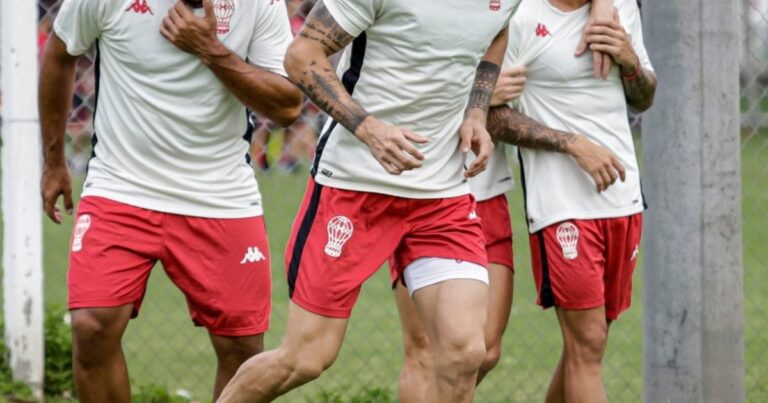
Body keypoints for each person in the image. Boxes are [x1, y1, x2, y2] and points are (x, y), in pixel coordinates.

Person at [38, 0, 302, 401]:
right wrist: (55, 160)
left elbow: (287, 105)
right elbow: (59, 54)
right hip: (121, 186)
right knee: (91, 326)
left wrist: (210, 50)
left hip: (221, 195)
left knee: (242, 349)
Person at [392, 26, 628, 402]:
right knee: (426, 352)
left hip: (485, 192)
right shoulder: (406, 16)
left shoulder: (500, 12)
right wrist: (476, 97)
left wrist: (601, 3)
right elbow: (389, 91)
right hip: (423, 192)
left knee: (484, 351)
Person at [486, 0, 657, 401]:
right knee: (588, 344)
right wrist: (573, 144)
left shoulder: (619, 8)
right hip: (560, 207)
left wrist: (629, 60)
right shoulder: (519, 16)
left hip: (623, 200)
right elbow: (492, 116)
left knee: (589, 345)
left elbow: (644, 97)